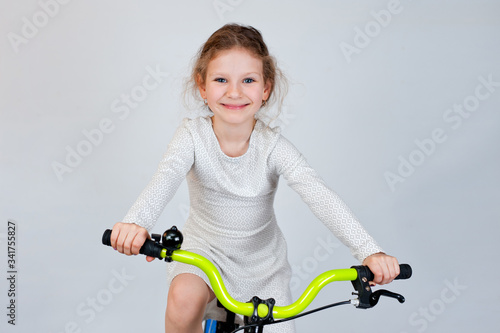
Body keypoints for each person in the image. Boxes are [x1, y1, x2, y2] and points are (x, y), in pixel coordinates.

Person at [110, 23, 400, 333]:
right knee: (183, 299)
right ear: (202, 87)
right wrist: (136, 222)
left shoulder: (274, 147)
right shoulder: (191, 137)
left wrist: (369, 251)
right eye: (221, 80)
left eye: (248, 80)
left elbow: (319, 195)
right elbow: (165, 176)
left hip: (263, 267)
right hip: (203, 256)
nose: (234, 92)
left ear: (265, 89)